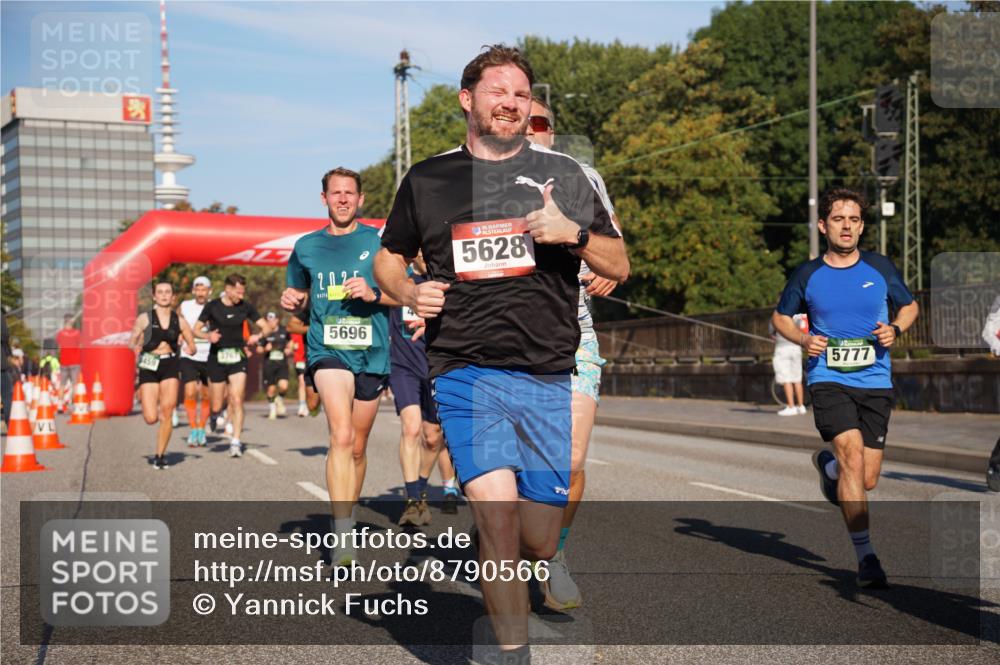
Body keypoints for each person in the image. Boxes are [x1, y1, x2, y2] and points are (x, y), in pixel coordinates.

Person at [375, 45, 628, 662]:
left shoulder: (566, 175)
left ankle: (540, 564)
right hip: (465, 368)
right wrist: (408, 290)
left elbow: (619, 263)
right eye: (497, 91)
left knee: (539, 538)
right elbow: (388, 255)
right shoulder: (428, 180)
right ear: (468, 100)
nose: (510, 101)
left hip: (545, 371)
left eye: (520, 92)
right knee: (497, 520)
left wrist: (572, 233)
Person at [772, 187, 919, 589]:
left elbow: (908, 306)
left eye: (853, 219)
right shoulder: (808, 274)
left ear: (862, 225)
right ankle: (866, 557)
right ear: (824, 225)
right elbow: (781, 317)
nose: (847, 226)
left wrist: (896, 329)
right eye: (838, 219)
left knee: (866, 477)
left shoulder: (879, 267)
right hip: (828, 378)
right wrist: (803, 341)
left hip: (875, 380)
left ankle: (830, 468)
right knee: (852, 453)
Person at [523, 94, 621, 610]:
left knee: (573, 458)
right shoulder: (481, 179)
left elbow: (613, 248)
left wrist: (601, 266)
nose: (530, 129)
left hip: (574, 333)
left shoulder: (584, 177)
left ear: (551, 133)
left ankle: (554, 556)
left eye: (539, 122)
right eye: (521, 120)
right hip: (506, 341)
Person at [281, 167, 396, 566]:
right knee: (341, 436)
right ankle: (342, 531)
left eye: (350, 193)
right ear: (324, 198)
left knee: (358, 447)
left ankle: (348, 508)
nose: (343, 199)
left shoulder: (381, 242)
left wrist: (374, 292)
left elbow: (406, 292)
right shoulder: (306, 246)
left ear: (361, 200)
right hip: (327, 348)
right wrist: (292, 299)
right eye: (335, 193)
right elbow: (296, 289)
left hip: (373, 353)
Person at [390, 253, 456, 526]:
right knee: (411, 427)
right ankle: (413, 499)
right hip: (402, 366)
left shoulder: (445, 283)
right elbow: (373, 294)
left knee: (433, 437)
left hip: (435, 365)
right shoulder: (400, 283)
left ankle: (420, 488)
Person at [193, 274, 272, 458]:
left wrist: (257, 336)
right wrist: (208, 336)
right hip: (216, 358)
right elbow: (195, 329)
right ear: (228, 289)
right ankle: (214, 414)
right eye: (238, 291)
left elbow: (266, 327)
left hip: (237, 356)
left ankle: (235, 441)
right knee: (216, 403)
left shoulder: (245, 307)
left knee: (237, 399)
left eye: (243, 292)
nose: (241, 295)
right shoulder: (212, 306)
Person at [130, 281, 196, 469]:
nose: (164, 295)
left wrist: (189, 348)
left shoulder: (180, 321)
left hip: (170, 364)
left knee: (167, 412)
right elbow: (132, 341)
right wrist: (136, 343)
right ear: (154, 296)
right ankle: (147, 400)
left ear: (173, 297)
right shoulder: (144, 318)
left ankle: (160, 455)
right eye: (160, 292)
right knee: (151, 418)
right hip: (149, 364)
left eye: (168, 292)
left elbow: (192, 344)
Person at [179, 276, 213, 446]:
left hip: (209, 356)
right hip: (189, 355)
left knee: (206, 394)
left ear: (209, 291)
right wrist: (179, 336)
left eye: (203, 289)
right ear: (193, 291)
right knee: (190, 392)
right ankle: (193, 429)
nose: (200, 293)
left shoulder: (215, 306)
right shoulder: (185, 306)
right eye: (197, 289)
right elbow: (177, 323)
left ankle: (201, 428)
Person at [770, 308, 809, 416]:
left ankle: (791, 406)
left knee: (786, 378)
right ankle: (801, 406)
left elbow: (772, 332)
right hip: (796, 347)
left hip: (782, 348)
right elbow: (803, 329)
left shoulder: (778, 314)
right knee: (797, 378)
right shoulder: (799, 314)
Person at [258, 312, 293, 420]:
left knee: (284, 386)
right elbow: (258, 349)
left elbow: (290, 341)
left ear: (277, 320)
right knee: (271, 389)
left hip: (282, 364)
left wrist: (289, 349)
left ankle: (279, 399)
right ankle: (272, 409)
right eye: (268, 320)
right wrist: (264, 349)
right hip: (269, 365)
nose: (270, 322)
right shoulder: (265, 333)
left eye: (272, 319)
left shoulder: (284, 330)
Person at [287, 310, 322, 414]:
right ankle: (315, 399)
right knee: (312, 405)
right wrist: (316, 329)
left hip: (338, 357)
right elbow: (290, 326)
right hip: (311, 358)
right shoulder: (312, 305)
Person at [55, 314, 81, 401]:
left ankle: (60, 405)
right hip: (75, 362)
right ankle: (74, 404)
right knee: (75, 384)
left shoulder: (60, 334)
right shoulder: (77, 333)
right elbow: (80, 345)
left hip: (64, 362)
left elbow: (58, 347)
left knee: (62, 384)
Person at [290, 327, 310, 416]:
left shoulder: (311, 329)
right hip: (300, 360)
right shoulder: (294, 331)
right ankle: (302, 405)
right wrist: (291, 347)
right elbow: (289, 344)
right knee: (302, 382)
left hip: (311, 359)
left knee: (311, 385)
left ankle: (311, 404)